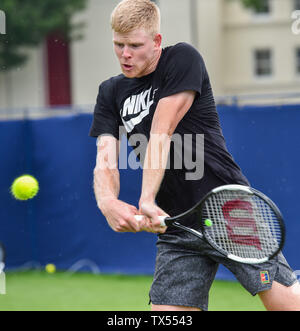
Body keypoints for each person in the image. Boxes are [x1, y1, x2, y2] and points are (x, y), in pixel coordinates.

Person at [90, 0, 300, 311]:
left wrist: (146, 200)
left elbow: (162, 130)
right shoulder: (110, 91)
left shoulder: (182, 58)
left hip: (228, 207)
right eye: (118, 45)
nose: (125, 54)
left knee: (285, 304)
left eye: (135, 45)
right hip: (176, 225)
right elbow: (105, 158)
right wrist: (107, 201)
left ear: (157, 41)